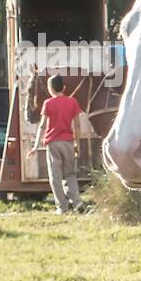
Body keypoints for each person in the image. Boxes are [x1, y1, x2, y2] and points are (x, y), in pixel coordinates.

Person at [32, 75, 83, 214]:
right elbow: (77, 125)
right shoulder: (72, 102)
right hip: (68, 142)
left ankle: (62, 207)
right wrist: (77, 143)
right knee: (70, 174)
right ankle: (77, 202)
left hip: (53, 142)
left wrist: (36, 145)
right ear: (64, 88)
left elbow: (42, 126)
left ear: (50, 89)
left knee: (55, 177)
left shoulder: (48, 103)